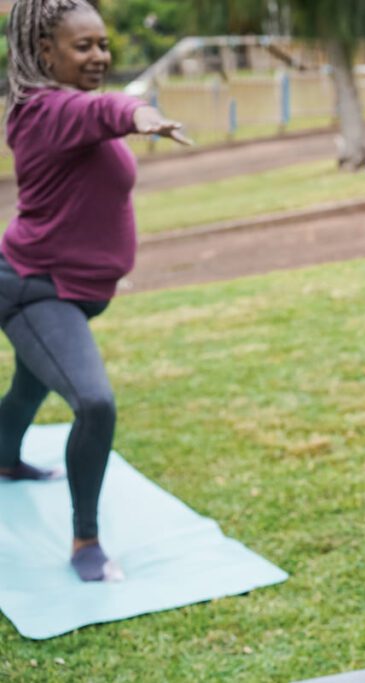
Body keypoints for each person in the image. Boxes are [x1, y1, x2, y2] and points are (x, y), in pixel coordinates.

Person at [0, 0, 189, 582]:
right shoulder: (43, 111)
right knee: (93, 402)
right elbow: (106, 109)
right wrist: (138, 113)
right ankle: (87, 541)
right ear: (43, 52)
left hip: (71, 288)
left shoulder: (64, 111)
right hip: (36, 290)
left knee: (30, 388)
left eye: (103, 44)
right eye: (83, 46)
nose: (99, 56)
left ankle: (4, 460)